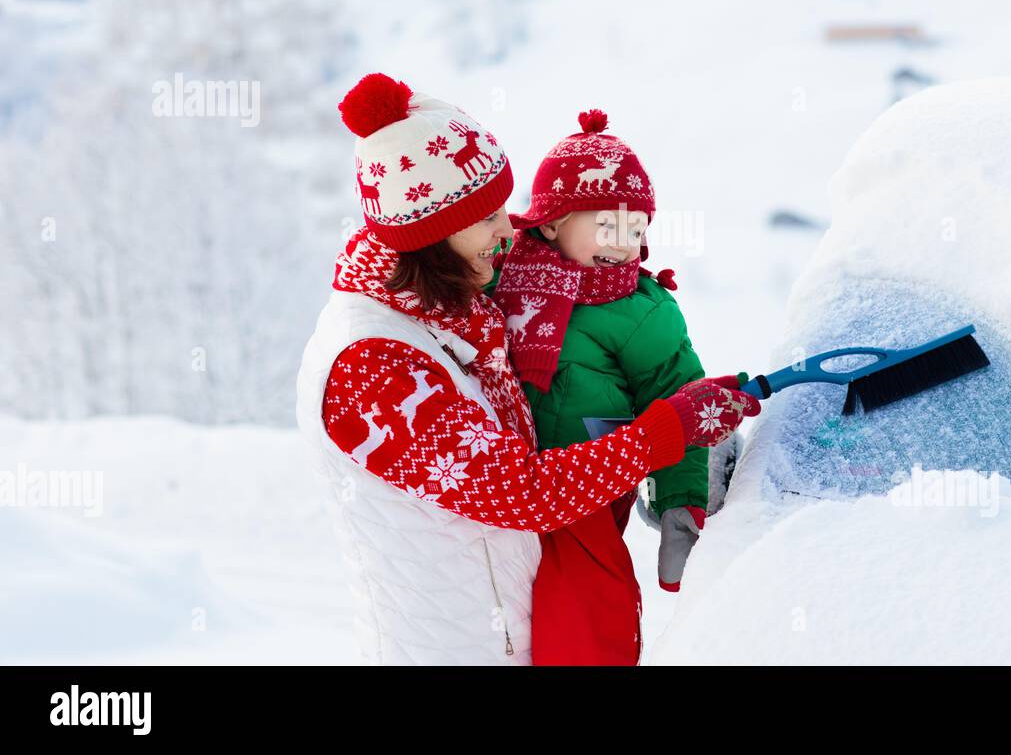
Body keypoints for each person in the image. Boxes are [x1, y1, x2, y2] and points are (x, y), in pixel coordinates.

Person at [295, 73, 760, 665]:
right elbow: (521, 490)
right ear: (431, 235)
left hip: (519, 638)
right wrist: (665, 431)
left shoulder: (449, 303)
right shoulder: (371, 366)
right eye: (486, 217)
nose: (507, 230)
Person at [489, 108, 727, 666]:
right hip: (507, 476)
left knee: (588, 597)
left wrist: (679, 506)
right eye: (607, 225)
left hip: (591, 481)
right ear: (549, 222)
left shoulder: (643, 311)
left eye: (637, 229)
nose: (624, 245)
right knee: (505, 597)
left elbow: (680, 402)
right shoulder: (504, 274)